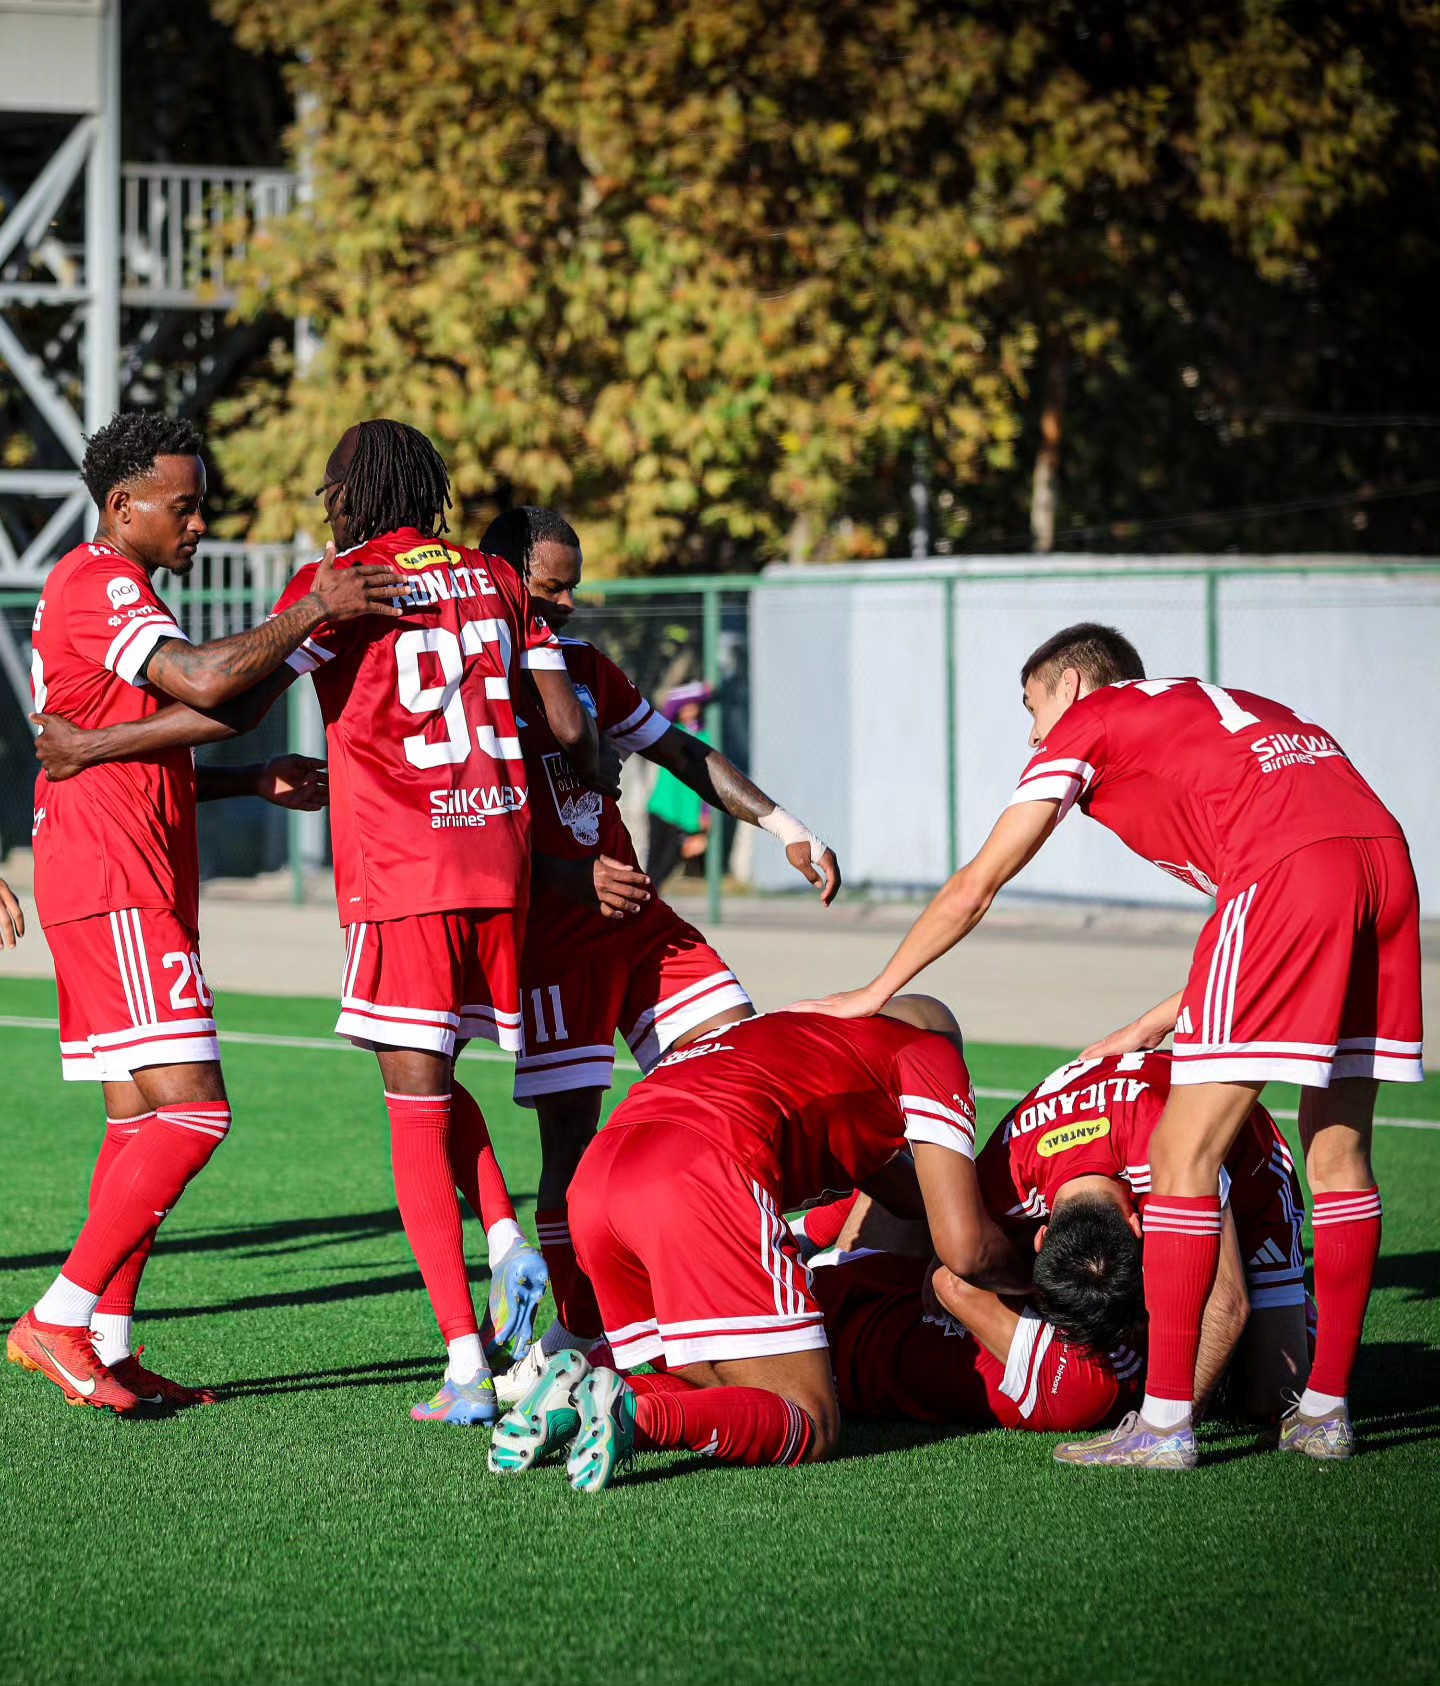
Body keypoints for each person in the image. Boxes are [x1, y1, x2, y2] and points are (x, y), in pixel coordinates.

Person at [30, 421, 605, 1426]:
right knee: (225, 1104)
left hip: (398, 870)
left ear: (353, 488)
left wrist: (105, 745)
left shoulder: (349, 579)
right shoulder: (494, 580)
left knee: (381, 1093)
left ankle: (466, 1357)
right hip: (494, 861)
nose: (204, 520)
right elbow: (563, 725)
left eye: (333, 487)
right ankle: (509, 1245)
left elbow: (227, 698)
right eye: (189, 504)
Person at [798, 622, 1422, 1465]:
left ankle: (1164, 1425)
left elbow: (978, 884)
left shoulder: (1096, 719)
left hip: (1286, 872)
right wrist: (1152, 1021)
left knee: (1180, 1153)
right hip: (1385, 860)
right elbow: (1290, 889)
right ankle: (1326, 1411)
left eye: (1032, 707)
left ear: (1075, 685)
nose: (1031, 733)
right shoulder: (1225, 710)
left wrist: (875, 989)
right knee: (1341, 1156)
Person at [10, 410, 400, 1414]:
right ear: (121, 506)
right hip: (115, 882)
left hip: (117, 870)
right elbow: (202, 677)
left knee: (138, 1118)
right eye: (181, 510)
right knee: (195, 1108)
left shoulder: (114, 585)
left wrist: (245, 779)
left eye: (200, 509)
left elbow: (138, 745)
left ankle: (106, 1340)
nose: (195, 527)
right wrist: (312, 610)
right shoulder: (101, 583)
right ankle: (58, 1314)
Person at [478, 506, 841, 1401]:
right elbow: (470, 828)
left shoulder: (589, 670)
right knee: (570, 1143)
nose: (567, 601)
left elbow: (676, 749)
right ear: (502, 576)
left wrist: (783, 825)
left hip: (639, 921)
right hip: (554, 944)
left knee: (742, 1064)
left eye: (572, 582)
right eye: (550, 585)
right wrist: (569, 884)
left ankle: (742, 1277)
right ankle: (570, 1332)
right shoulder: (476, 683)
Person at [487, 996, 1016, 1492]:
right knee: (810, 1418)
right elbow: (963, 1244)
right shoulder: (927, 1051)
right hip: (700, 1170)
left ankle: (579, 1391)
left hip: (602, 1178)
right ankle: (638, 1412)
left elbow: (908, 1195)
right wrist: (1036, 1271)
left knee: (725, 1387)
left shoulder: (807, 1040)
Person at [975, 1049, 1309, 1426]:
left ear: (1141, 1227)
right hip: (1138, 1134)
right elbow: (959, 1257)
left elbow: (1228, 1304)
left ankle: (1298, 1317)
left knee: (1274, 1400)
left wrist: (1170, 1422)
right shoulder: (1000, 1176)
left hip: (1251, 1171)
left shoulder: (1170, 1153)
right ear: (1040, 1238)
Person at [809, 1219, 1144, 1434]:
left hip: (849, 1339)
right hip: (881, 1296)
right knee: (902, 1164)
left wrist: (1034, 1238)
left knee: (919, 1171)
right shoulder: (1115, 1354)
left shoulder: (1091, 1384)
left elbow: (952, 1281)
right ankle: (806, 1234)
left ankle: (804, 1236)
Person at [644, 682, 712, 886]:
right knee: (653, 864)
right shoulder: (671, 731)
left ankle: (649, 903)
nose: (689, 711)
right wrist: (703, 689)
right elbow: (670, 703)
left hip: (686, 813)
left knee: (669, 863)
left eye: (694, 705)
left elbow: (710, 780)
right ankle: (645, 905)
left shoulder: (706, 737)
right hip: (663, 806)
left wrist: (706, 813)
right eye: (686, 706)